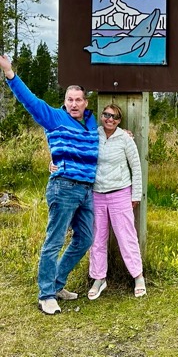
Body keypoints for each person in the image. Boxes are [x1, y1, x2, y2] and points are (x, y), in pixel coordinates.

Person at [0, 54, 99, 315]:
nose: (74, 104)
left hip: (87, 190)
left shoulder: (91, 124)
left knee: (86, 238)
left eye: (78, 100)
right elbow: (30, 101)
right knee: (54, 241)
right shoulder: (54, 118)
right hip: (64, 187)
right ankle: (46, 294)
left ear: (85, 102)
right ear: (64, 102)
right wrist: (10, 73)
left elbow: (106, 139)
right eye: (70, 100)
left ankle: (56, 283)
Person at [86, 103, 146, 299]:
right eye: (106, 115)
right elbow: (79, 153)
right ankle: (98, 278)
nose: (110, 119)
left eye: (114, 117)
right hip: (97, 194)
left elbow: (136, 167)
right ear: (101, 116)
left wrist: (135, 195)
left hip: (120, 192)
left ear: (119, 120)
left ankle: (138, 276)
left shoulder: (125, 139)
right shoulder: (94, 135)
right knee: (97, 238)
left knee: (126, 236)